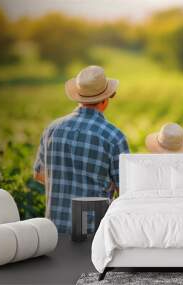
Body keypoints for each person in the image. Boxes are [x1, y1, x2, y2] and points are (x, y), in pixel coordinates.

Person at [33, 65, 130, 233]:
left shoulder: (52, 129)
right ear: (106, 99)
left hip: (53, 231)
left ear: (79, 97)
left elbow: (39, 174)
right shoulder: (114, 137)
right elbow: (127, 192)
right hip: (92, 232)